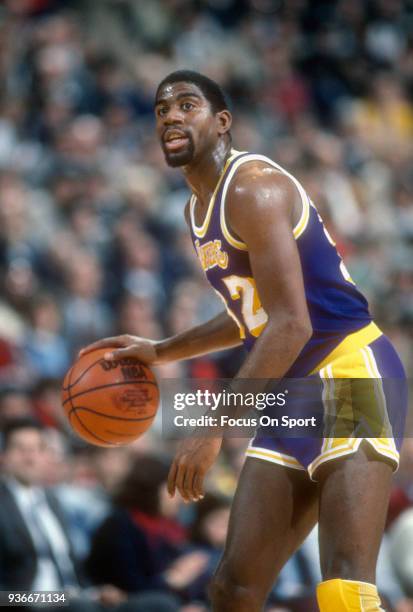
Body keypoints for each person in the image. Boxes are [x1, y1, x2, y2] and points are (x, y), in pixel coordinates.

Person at [81, 70, 408, 612]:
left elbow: (291, 324)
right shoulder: (196, 209)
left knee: (345, 587)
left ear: (222, 122)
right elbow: (249, 314)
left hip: (353, 375)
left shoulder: (253, 186)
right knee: (232, 589)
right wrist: (162, 350)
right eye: (163, 111)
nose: (172, 118)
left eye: (187, 105)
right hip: (296, 394)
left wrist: (214, 423)